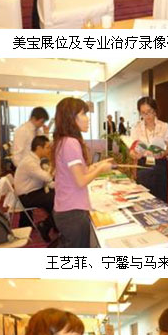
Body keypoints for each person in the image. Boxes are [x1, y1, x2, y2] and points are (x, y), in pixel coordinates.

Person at [52, 98, 113, 248]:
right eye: (83, 114)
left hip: (67, 209)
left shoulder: (64, 141)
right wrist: (100, 170)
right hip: (72, 212)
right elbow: (81, 181)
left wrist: (96, 165)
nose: (88, 118)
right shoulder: (71, 143)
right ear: (71, 118)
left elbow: (78, 172)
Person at [129, 96, 168, 204]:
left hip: (159, 164)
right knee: (144, 199)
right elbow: (132, 150)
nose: (147, 116)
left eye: (149, 111)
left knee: (161, 198)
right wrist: (134, 154)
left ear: (155, 110)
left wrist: (163, 153)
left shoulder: (164, 127)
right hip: (143, 164)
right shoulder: (136, 128)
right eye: (143, 113)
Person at [14, 135, 55, 242]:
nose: (49, 150)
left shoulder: (33, 159)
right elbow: (47, 177)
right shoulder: (30, 162)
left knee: (55, 194)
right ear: (39, 148)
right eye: (47, 147)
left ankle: (54, 224)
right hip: (27, 196)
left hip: (32, 192)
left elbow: (46, 179)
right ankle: (45, 225)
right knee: (56, 199)